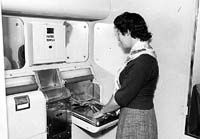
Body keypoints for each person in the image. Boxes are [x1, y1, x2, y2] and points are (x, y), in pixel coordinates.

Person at [94, 12, 159, 139]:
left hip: (136, 119)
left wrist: (102, 111)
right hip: (139, 115)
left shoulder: (142, 61)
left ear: (128, 32)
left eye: (118, 33)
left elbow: (121, 97)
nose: (118, 39)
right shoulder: (144, 54)